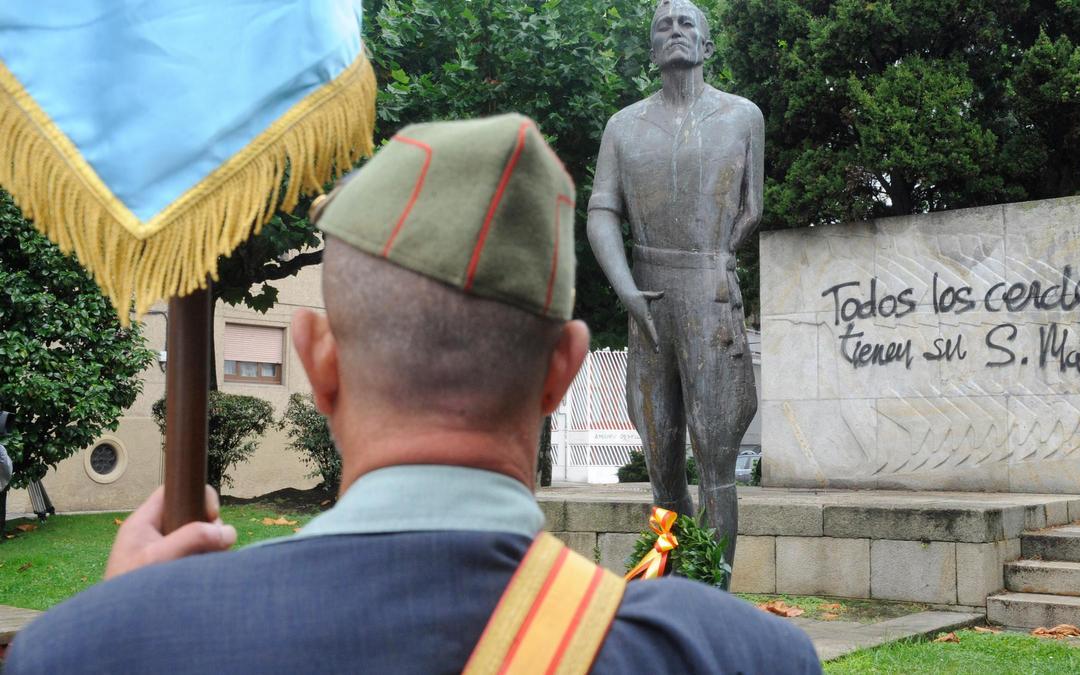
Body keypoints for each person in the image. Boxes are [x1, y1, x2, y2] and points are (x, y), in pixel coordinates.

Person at [6, 114, 819, 674]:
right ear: (563, 369)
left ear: (319, 361)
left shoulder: (89, 652)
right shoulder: (742, 658)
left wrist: (130, 623)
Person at [587, 0, 763, 571]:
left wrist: (712, 261)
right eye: (665, 25)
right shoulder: (623, 126)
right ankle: (669, 577)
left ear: (707, 45)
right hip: (648, 298)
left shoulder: (743, 116)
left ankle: (712, 586)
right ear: (652, 49)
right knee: (661, 460)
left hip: (711, 296)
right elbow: (601, 211)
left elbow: (751, 210)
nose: (676, 30)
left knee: (716, 461)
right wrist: (626, 288)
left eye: (688, 23)